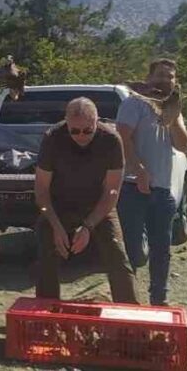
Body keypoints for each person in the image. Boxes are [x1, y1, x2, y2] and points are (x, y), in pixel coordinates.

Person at [35, 98, 137, 303]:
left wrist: (88, 226)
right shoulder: (52, 138)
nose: (81, 136)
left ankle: (129, 312)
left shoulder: (111, 140)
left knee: (117, 254)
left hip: (97, 204)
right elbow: (41, 190)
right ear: (66, 124)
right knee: (46, 252)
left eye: (87, 130)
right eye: (74, 131)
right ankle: (46, 313)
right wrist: (55, 225)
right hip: (58, 204)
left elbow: (111, 192)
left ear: (97, 123)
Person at [116, 58, 187, 306]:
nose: (165, 80)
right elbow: (122, 137)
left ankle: (159, 299)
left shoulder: (172, 107)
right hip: (131, 187)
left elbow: (183, 145)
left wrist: (174, 120)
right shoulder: (134, 103)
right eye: (160, 75)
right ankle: (129, 297)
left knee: (162, 250)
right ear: (149, 78)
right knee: (134, 251)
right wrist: (138, 170)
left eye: (170, 77)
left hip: (163, 190)